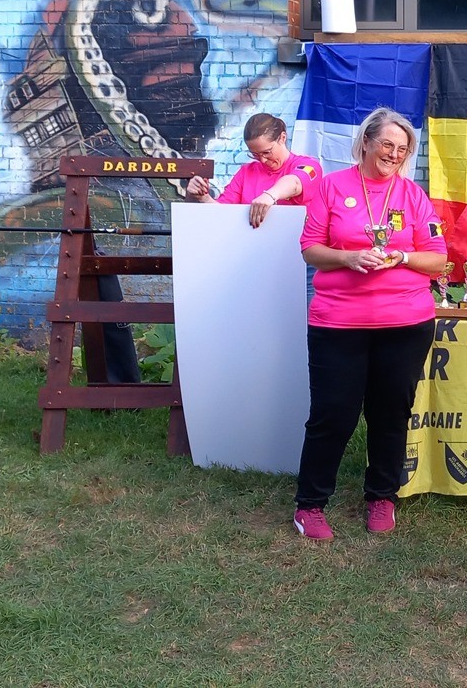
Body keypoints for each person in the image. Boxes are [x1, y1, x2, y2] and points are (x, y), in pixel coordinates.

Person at [293, 107, 448, 540]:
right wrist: (348, 257)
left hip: (405, 323)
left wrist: (403, 256)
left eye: (402, 149)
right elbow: (309, 249)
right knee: (332, 415)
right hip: (338, 323)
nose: (394, 154)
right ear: (365, 142)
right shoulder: (330, 187)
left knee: (390, 414)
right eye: (387, 144)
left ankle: (382, 496)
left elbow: (438, 260)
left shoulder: (414, 196)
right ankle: (310, 505)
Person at [184, 113, 320, 227]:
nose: (262, 160)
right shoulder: (246, 172)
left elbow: (295, 183)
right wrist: (203, 198)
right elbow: (222, 213)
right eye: (255, 154)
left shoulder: (309, 166)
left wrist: (270, 196)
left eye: (267, 152)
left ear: (282, 138)